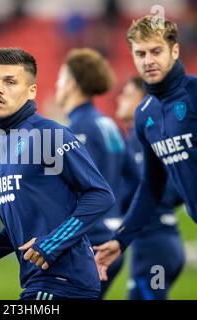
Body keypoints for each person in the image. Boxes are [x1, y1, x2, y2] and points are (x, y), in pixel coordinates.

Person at [0, 47, 115, 300]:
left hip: (65, 281)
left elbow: (100, 194)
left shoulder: (49, 135)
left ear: (31, 91)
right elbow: (24, 223)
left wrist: (52, 243)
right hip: (38, 281)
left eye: (10, 82)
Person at [94, 15, 197, 281]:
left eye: (156, 51)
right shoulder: (144, 114)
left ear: (174, 50)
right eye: (140, 53)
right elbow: (152, 184)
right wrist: (122, 239)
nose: (148, 60)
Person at [55, 47, 138, 298]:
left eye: (61, 77)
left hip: (91, 245)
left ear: (71, 83)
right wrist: (113, 217)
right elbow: (135, 180)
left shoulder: (78, 128)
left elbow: (72, 189)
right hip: (111, 239)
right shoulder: (107, 123)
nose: (57, 84)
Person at [116, 77, 185, 299]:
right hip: (160, 241)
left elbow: (143, 186)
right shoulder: (139, 139)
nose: (120, 99)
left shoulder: (140, 139)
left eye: (127, 94)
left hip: (154, 244)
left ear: (141, 101)